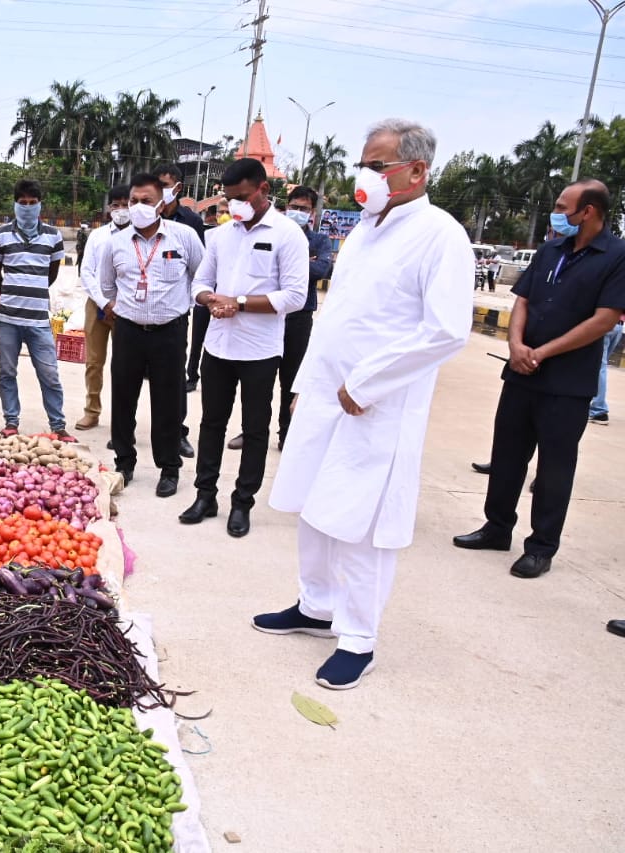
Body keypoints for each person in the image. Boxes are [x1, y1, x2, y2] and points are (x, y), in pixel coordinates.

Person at [255, 119, 472, 689]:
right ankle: (315, 605)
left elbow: (446, 330)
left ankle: (358, 637)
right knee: (314, 507)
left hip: (377, 406)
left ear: (417, 171)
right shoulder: (366, 231)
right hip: (328, 394)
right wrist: (306, 386)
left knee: (361, 524)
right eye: (365, 164)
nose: (365, 176)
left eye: (377, 166)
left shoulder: (440, 234)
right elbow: (336, 318)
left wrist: (368, 382)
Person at [453, 179, 625, 579]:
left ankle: (541, 546)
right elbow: (524, 300)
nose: (557, 213)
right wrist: (516, 344)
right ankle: (497, 528)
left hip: (567, 382)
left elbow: (603, 320)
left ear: (589, 212)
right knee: (508, 455)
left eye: (564, 207)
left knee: (554, 468)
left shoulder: (617, 256)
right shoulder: (551, 249)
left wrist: (542, 353)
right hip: (521, 374)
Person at [180, 158, 308, 537]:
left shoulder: (287, 235)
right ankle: (206, 495)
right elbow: (200, 281)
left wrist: (238, 301)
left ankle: (242, 503)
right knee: (212, 424)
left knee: (255, 429)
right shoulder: (221, 235)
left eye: (241, 197)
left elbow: (296, 295)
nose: (234, 205)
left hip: (260, 350)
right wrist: (209, 299)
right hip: (218, 345)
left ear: (263, 191)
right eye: (229, 197)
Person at [98, 172, 205, 496]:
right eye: (133, 201)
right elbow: (106, 285)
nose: (138, 207)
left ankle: (169, 468)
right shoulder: (115, 242)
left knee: (167, 403)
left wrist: (187, 305)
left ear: (161, 203)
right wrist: (117, 307)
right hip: (129, 330)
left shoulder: (184, 237)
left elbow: (201, 276)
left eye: (146, 201)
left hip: (169, 332)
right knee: (123, 398)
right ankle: (124, 462)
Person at [229, 186, 334, 451]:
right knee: (258, 380)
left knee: (291, 379)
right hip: (265, 315)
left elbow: (323, 268)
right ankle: (250, 431)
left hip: (298, 318)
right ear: (286, 206)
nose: (298, 212)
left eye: (304, 209)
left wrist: (286, 265)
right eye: (295, 207)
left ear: (312, 213)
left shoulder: (319, 240)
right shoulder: (271, 235)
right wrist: (297, 265)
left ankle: (287, 434)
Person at [0, 179, 70, 439]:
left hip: (38, 319)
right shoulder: (0, 234)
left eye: (32, 203)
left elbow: (52, 273)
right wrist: (11, 292)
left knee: (49, 374)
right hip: (8, 317)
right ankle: (11, 422)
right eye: (22, 203)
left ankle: (58, 426)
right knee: (7, 372)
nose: (27, 207)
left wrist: (32, 288)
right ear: (15, 204)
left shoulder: (53, 236)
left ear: (40, 205)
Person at [153, 163, 209, 455]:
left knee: (174, 374)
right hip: (142, 309)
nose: (160, 188)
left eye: (165, 183)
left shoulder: (190, 221)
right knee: (135, 375)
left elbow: (200, 268)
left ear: (177, 188)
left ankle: (178, 432)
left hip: (176, 311)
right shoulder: (144, 214)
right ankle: (127, 429)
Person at [75, 185, 131, 430]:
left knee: (125, 366)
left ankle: (122, 417)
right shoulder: (97, 236)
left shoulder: (139, 235)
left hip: (128, 308)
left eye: (125, 204)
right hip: (98, 305)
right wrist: (104, 302)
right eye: (116, 204)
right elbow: (86, 272)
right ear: (108, 209)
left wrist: (120, 303)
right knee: (94, 362)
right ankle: (92, 411)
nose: (121, 210)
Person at [588, 310, 623, 424]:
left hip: (604, 326)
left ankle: (598, 410)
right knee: (600, 367)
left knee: (598, 367)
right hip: (618, 326)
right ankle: (598, 408)